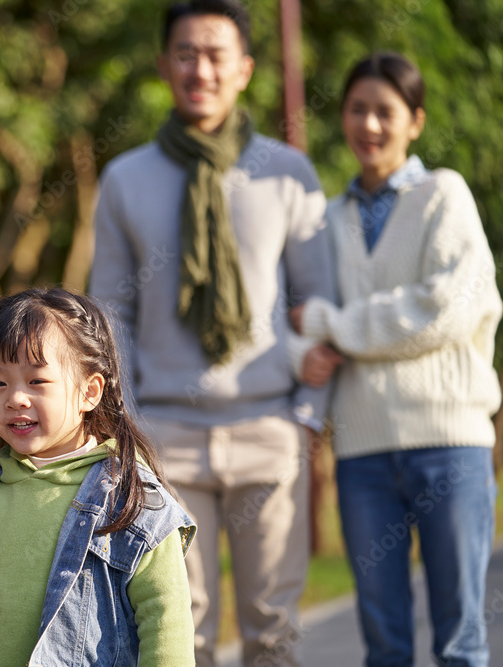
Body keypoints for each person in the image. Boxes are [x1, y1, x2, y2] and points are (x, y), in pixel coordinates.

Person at [88, 1, 338, 664]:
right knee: (178, 630)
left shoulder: (287, 173)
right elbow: (108, 311)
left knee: (273, 629)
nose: (201, 69)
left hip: (270, 427)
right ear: (165, 65)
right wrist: (128, 431)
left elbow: (321, 304)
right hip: (165, 436)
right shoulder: (125, 179)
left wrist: (307, 419)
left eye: (217, 55)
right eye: (187, 53)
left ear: (246, 70)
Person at [289, 52, 501, 667]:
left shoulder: (445, 195)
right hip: (362, 456)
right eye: (358, 110)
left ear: (415, 121)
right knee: (384, 645)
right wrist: (309, 346)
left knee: (461, 639)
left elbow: (445, 311)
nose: (369, 125)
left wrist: (334, 325)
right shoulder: (326, 219)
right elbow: (297, 312)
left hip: (450, 445)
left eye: (386, 112)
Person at [0, 287, 197, 666]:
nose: (15, 398)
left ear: (89, 391)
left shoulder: (132, 504)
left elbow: (166, 625)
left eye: (36, 381)